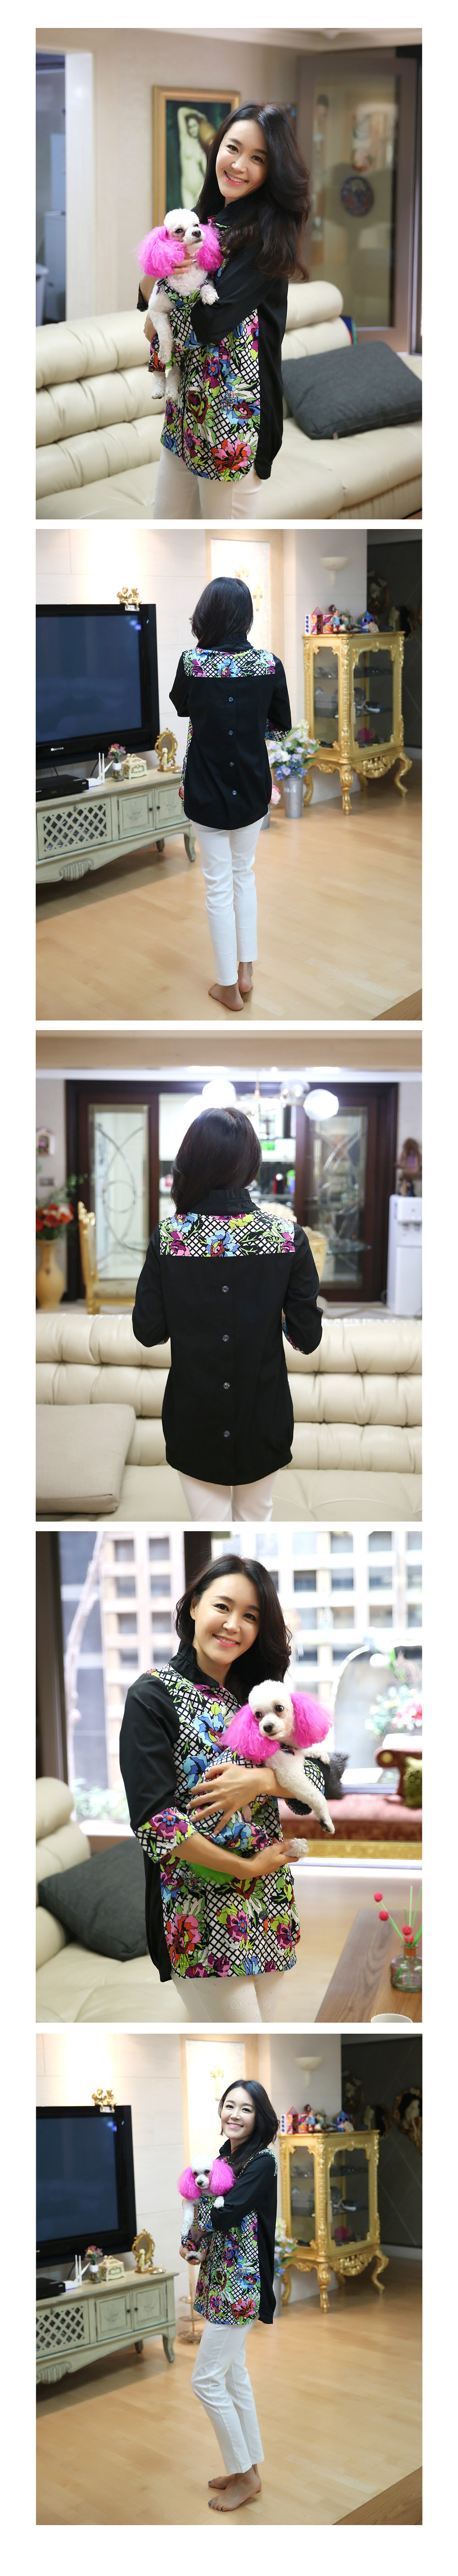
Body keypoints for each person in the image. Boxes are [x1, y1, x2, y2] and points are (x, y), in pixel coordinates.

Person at [119, 1552, 329, 2024]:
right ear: (194, 1605)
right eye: (223, 1606)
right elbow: (156, 1825)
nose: (234, 1624)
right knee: (244, 2039)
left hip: (269, 1899)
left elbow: (318, 1776)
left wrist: (260, 1781)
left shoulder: (258, 1695)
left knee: (264, 2037)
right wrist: (245, 1866)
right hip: (197, 1909)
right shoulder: (152, 1696)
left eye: (251, 1616)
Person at [131, 1104, 322, 1522]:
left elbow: (148, 1331)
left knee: (208, 1524)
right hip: (264, 1415)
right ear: (252, 1167)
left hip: (192, 1418)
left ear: (191, 1161)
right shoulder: (286, 1238)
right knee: (257, 1519)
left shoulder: (169, 1238)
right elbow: (307, 1338)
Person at [136, 102, 310, 520]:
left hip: (233, 420)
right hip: (186, 413)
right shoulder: (205, 219)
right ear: (217, 149)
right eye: (233, 148)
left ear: (273, 171)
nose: (239, 165)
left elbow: (211, 322)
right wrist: (153, 289)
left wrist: (159, 320)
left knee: (226, 544)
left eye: (258, 158)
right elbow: (149, 292)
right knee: (167, 533)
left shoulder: (266, 237)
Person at [170, 573, 291, 1010]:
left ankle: (226, 986)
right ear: (245, 617)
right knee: (245, 876)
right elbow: (280, 727)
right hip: (252, 788)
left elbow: (183, 706)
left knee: (218, 886)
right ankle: (246, 973)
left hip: (206, 788)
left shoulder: (192, 663)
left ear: (207, 615)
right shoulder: (270, 664)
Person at [181, 2079, 278, 2510]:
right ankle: (246, 2470)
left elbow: (230, 2211)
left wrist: (200, 2228)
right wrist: (191, 2240)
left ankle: (245, 2474)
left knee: (205, 2380)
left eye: (246, 2108)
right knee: (234, 2376)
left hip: (240, 2282)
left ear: (260, 2117)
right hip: (220, 2276)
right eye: (229, 2106)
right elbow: (202, 2207)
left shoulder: (262, 2162)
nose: (235, 2114)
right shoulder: (222, 2158)